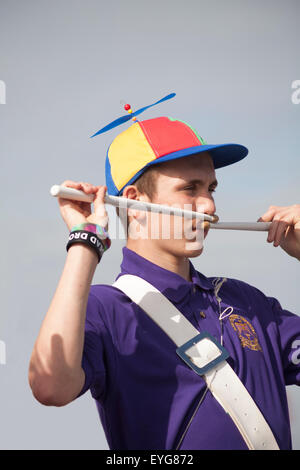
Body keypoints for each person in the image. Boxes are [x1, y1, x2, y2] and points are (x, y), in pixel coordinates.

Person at [28, 114, 300, 450]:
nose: (209, 206)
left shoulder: (246, 300)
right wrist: (86, 240)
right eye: (190, 188)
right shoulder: (106, 309)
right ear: (135, 202)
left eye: (211, 188)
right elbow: (51, 387)